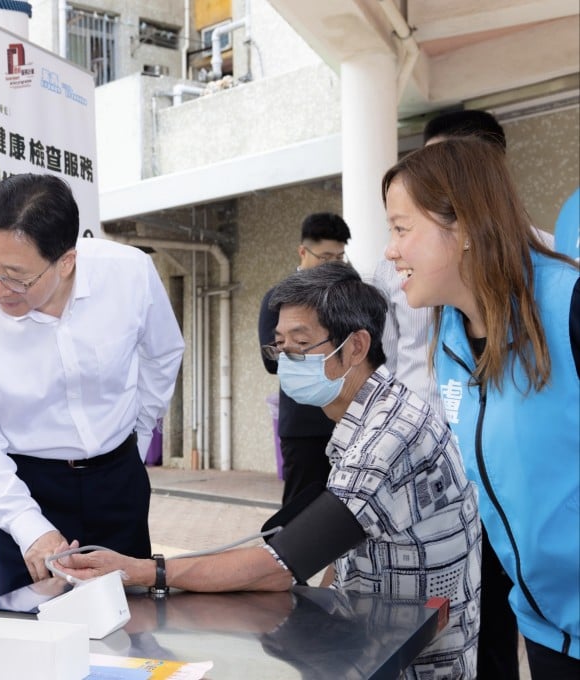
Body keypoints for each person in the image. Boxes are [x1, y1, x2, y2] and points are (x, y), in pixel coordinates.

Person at [60, 262, 482, 679]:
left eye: (301, 345)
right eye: (279, 346)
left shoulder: (386, 440)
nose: (287, 361)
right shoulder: (377, 410)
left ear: (355, 347)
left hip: (413, 660)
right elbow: (348, 539)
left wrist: (143, 570)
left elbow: (276, 566)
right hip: (379, 634)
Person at [383, 138, 580, 678]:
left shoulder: (568, 306)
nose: (389, 250)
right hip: (545, 628)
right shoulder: (450, 335)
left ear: (464, 226)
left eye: (402, 229)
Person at [0, 173, 185, 596]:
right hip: (28, 485)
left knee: (131, 617)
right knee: (31, 631)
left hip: (117, 478)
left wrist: (138, 434)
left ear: (66, 261)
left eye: (16, 276)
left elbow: (162, 354)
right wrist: (29, 528)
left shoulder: (128, 274)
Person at [257, 212, 350, 505]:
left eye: (339, 257)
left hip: (349, 421)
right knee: (300, 515)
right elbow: (271, 360)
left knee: (347, 512)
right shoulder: (280, 298)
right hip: (304, 426)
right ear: (303, 252)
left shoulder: (349, 297)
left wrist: (305, 348)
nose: (332, 265)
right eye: (325, 257)